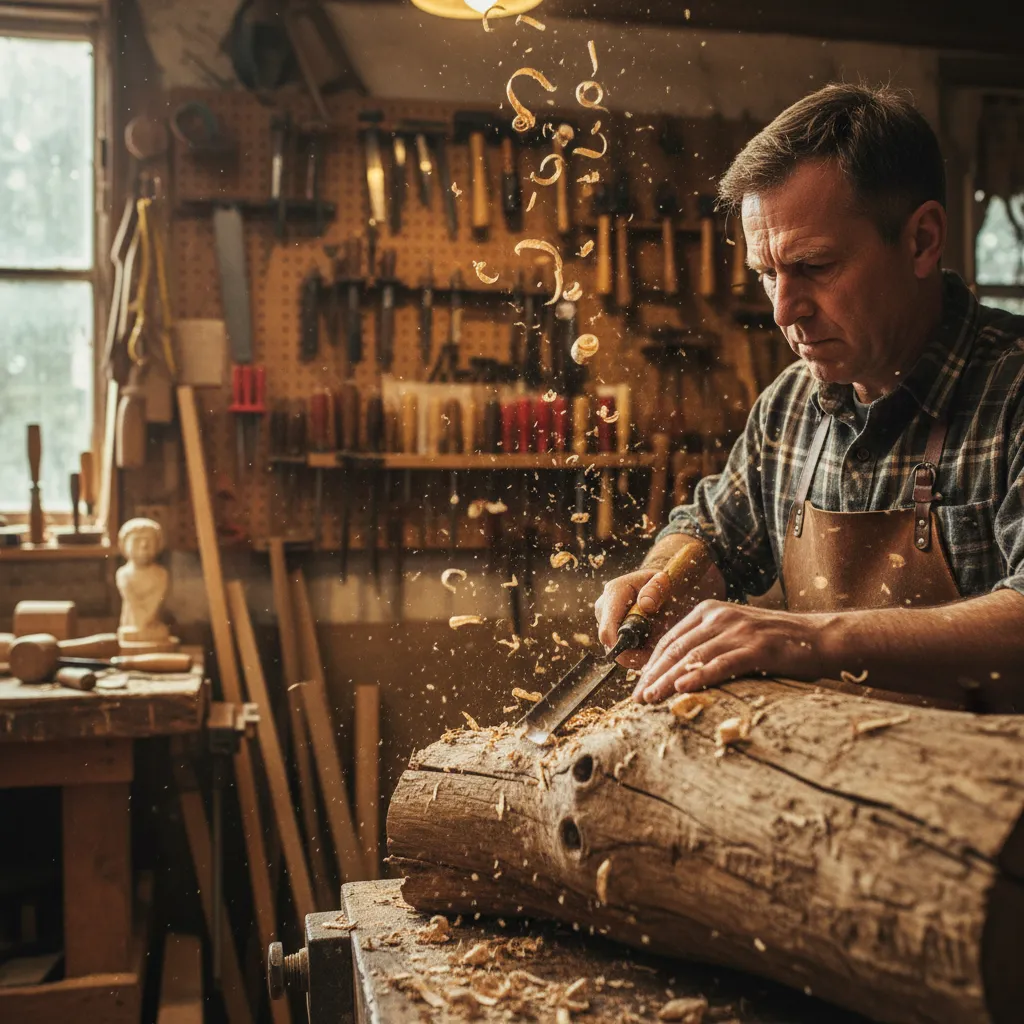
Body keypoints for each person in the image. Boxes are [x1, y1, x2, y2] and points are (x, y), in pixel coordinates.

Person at [595, 83, 1024, 711]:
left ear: (922, 241)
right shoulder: (791, 404)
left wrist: (812, 638)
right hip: (825, 785)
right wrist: (663, 577)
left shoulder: (1011, 392)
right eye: (768, 274)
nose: (784, 310)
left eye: (815, 267)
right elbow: (711, 533)